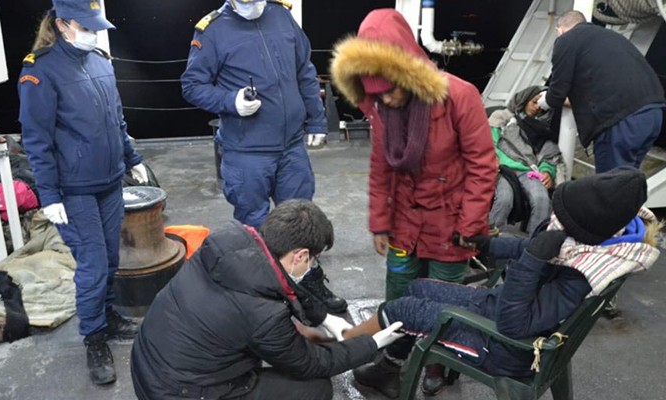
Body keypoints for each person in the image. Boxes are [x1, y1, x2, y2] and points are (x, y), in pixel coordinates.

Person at [344, 167, 660, 398]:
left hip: (503, 347)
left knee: (402, 309)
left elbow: (513, 325)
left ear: (583, 228)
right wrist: (486, 245)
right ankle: (389, 369)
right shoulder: (597, 238)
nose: (555, 221)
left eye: (563, 219)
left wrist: (532, 260)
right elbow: (531, 247)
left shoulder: (580, 276)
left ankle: (339, 347)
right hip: (496, 307)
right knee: (416, 288)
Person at [330, 9, 498, 393]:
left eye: (391, 88)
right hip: (404, 222)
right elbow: (380, 168)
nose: (386, 98)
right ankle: (393, 360)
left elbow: (483, 165)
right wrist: (379, 222)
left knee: (445, 296)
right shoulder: (382, 109)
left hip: (451, 223)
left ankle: (441, 363)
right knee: (400, 291)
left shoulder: (460, 95)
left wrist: (470, 224)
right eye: (376, 93)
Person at [130, 200, 404, 400]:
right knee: (314, 388)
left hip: (149, 363)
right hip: (177, 393)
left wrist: (323, 316)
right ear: (300, 255)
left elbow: (278, 282)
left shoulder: (228, 244)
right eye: (313, 260)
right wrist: (371, 344)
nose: (312, 266)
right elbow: (312, 363)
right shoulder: (264, 315)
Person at [181, 0, 346, 314]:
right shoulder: (213, 30)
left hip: (291, 147)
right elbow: (192, 85)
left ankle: (310, 286)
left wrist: (316, 119)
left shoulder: (281, 16)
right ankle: (265, 301)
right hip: (247, 153)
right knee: (255, 229)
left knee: (302, 222)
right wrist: (231, 101)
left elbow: (304, 70)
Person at [18, 0, 148, 386]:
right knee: (92, 264)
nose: (93, 34)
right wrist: (49, 195)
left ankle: (107, 315)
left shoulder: (100, 62)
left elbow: (116, 119)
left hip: (109, 181)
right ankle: (94, 337)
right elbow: (37, 139)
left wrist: (132, 158)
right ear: (63, 25)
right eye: (87, 27)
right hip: (73, 190)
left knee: (109, 257)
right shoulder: (40, 71)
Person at [537, 10, 665, 173]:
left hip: (621, 121)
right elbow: (600, 89)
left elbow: (557, 93)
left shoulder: (566, 39)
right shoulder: (610, 37)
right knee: (627, 180)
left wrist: (544, 101)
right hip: (653, 114)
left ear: (559, 29)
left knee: (609, 182)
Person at [489, 86, 562, 234]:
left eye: (542, 106)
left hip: (529, 171)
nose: (537, 108)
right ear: (525, 99)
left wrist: (547, 171)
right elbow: (489, 144)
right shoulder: (502, 117)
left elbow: (548, 156)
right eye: (534, 102)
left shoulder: (546, 131)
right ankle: (487, 239)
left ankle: (532, 243)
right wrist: (497, 162)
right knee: (504, 199)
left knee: (541, 200)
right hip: (502, 169)